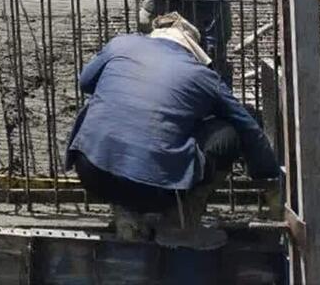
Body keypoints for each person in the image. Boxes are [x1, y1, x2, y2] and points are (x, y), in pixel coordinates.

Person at [65, 13, 279, 249]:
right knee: (226, 133)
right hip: (154, 189)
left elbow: (85, 82)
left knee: (98, 111)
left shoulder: (121, 44)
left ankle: (127, 214)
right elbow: (246, 125)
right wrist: (269, 177)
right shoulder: (202, 76)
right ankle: (180, 225)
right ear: (191, 50)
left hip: (92, 173)